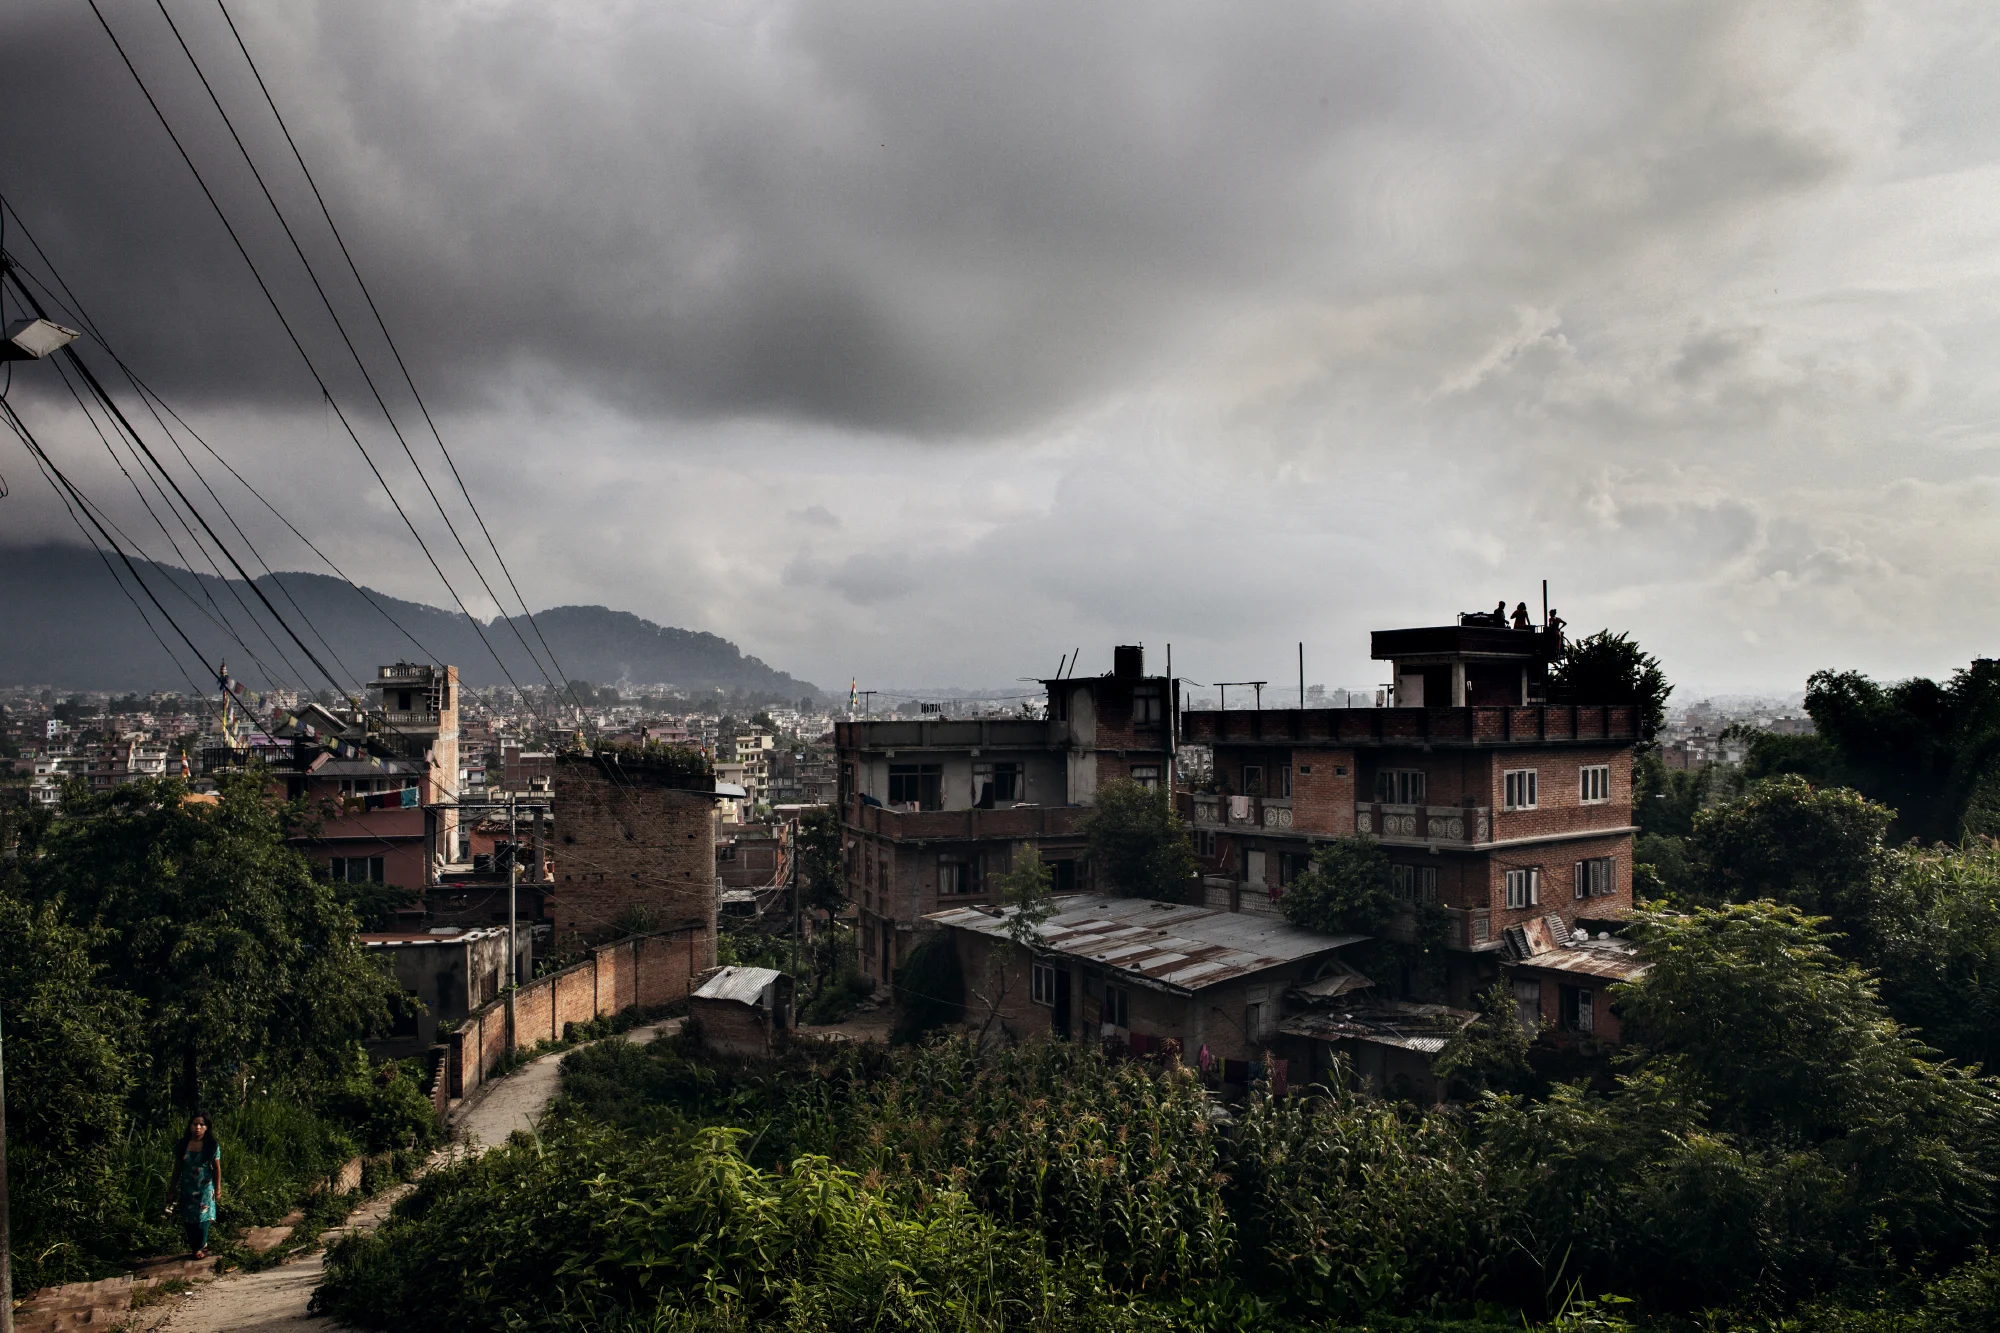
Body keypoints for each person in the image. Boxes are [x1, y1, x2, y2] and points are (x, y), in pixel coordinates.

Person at [169, 1113, 222, 1258]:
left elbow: (216, 1168)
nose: (197, 1127)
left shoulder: (211, 1145)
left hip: (205, 1188)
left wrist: (217, 1190)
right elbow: (177, 1169)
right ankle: (195, 1247)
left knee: (202, 1218)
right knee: (188, 1219)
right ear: (190, 1126)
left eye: (201, 1125)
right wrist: (171, 1190)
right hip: (187, 1188)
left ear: (207, 1127)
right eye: (194, 1124)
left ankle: (201, 1246)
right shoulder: (182, 1145)